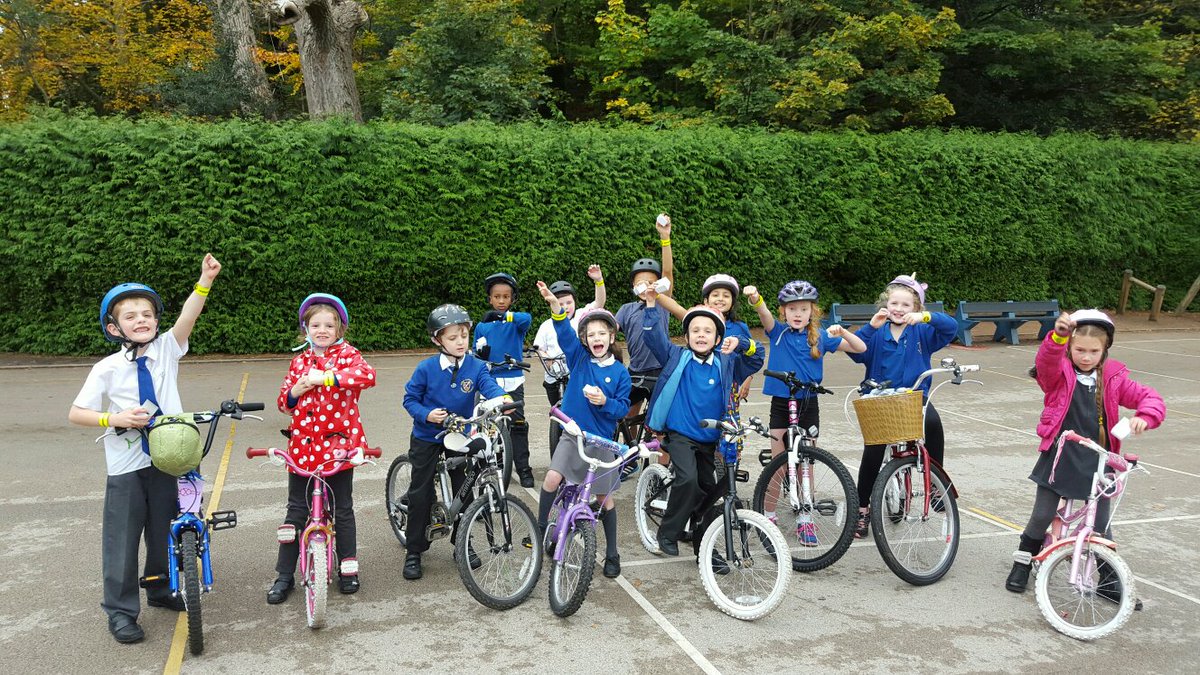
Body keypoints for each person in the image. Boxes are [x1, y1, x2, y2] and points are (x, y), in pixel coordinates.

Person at [68, 253, 221, 644]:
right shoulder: (107, 368)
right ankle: (120, 612)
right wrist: (114, 419)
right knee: (121, 539)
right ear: (114, 327)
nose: (141, 320)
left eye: (147, 313)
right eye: (131, 315)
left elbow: (188, 316)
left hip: (169, 457)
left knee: (163, 529)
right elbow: (76, 413)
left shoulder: (167, 351)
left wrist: (204, 280)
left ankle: (159, 589)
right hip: (126, 464)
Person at [1004, 309, 1164, 610]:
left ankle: (1108, 578)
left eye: (1094, 351)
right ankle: (1023, 560)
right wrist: (1058, 336)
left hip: (1099, 461)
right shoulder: (1058, 373)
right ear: (1070, 348)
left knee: (1102, 524)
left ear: (1105, 351)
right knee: (1042, 515)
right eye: (1079, 350)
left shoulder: (1115, 378)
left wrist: (1145, 416)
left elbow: (1149, 397)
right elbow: (1045, 361)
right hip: (1061, 454)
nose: (1086, 357)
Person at [267, 293, 376, 604]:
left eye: (330, 325)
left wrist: (328, 377)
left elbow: (367, 376)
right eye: (316, 325)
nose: (323, 330)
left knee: (342, 508)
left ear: (340, 329)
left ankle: (348, 568)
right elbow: (283, 404)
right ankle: (285, 574)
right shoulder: (299, 361)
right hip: (302, 447)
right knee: (296, 511)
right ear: (306, 329)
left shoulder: (349, 356)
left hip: (339, 447)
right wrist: (295, 392)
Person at [640, 289, 764, 558]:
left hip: (709, 440)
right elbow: (653, 337)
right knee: (688, 479)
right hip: (680, 435)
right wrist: (651, 305)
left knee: (708, 494)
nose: (700, 335)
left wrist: (742, 344)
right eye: (695, 330)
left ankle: (705, 552)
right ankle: (668, 533)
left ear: (718, 338)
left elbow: (757, 358)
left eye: (708, 331)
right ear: (686, 337)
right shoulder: (677, 357)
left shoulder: (726, 363)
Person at [743, 280, 866, 544]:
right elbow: (762, 313)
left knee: (804, 465)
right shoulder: (778, 333)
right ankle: (768, 513)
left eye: (803, 309)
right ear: (783, 312)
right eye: (792, 309)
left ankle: (805, 518)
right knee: (778, 466)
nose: (798, 314)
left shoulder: (820, 336)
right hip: (781, 402)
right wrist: (755, 298)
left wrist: (843, 332)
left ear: (813, 312)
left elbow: (860, 348)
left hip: (809, 403)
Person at [403, 304, 508, 580]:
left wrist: (503, 400)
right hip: (427, 435)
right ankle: (414, 550)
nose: (460, 342)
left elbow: (489, 386)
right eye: (452, 337)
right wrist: (427, 414)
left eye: (464, 335)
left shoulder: (475, 366)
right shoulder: (426, 368)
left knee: (465, 487)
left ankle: (461, 543)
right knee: (421, 492)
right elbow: (409, 400)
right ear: (437, 340)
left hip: (459, 434)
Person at [847, 274, 957, 539]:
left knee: (933, 425)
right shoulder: (878, 330)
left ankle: (935, 486)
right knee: (873, 451)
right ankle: (862, 509)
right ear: (886, 303)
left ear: (915, 308)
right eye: (894, 302)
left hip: (913, 397)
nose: (898, 309)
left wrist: (926, 318)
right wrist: (870, 328)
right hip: (880, 399)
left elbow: (951, 327)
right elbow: (855, 352)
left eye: (906, 305)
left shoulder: (922, 330)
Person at [534, 281, 631, 577]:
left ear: (612, 336)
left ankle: (612, 553)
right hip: (572, 434)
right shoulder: (578, 358)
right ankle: (539, 533)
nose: (597, 338)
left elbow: (622, 408)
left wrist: (604, 402)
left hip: (601, 442)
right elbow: (563, 331)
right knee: (552, 478)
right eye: (591, 334)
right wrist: (555, 305)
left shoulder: (620, 372)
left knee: (604, 499)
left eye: (602, 333)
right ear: (586, 340)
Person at [531, 265, 606, 454]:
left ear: (575, 302)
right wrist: (547, 359)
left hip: (577, 372)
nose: (565, 307)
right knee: (557, 413)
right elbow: (538, 348)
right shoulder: (547, 325)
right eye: (560, 303)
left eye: (568, 302)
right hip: (554, 376)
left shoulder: (581, 316)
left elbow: (599, 302)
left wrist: (598, 281)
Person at [475, 273, 535, 487]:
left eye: (506, 297)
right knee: (487, 425)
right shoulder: (483, 325)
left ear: (512, 299)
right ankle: (492, 465)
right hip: (489, 381)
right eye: (497, 297)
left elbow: (526, 319)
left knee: (517, 424)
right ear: (490, 299)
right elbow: (476, 350)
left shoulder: (515, 322)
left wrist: (503, 316)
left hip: (513, 380)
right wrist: (481, 354)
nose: (501, 301)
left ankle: (524, 468)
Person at [614, 214, 676, 423]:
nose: (646, 287)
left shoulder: (662, 303)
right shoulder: (627, 308)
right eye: (640, 283)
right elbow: (610, 330)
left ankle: (661, 455)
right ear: (633, 287)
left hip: (661, 369)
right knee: (627, 415)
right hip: (636, 370)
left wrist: (664, 238)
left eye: (651, 282)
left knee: (661, 421)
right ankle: (632, 453)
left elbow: (667, 272)